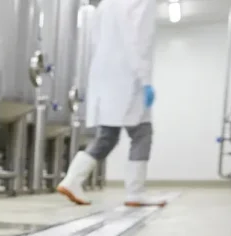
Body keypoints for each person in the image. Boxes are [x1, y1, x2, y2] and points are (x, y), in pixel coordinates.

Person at [56, 0, 165, 208]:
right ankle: (135, 192)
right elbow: (139, 42)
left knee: (108, 135)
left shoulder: (107, 4)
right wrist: (145, 80)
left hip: (104, 74)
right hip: (128, 77)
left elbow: (96, 39)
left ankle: (72, 180)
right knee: (142, 133)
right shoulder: (144, 3)